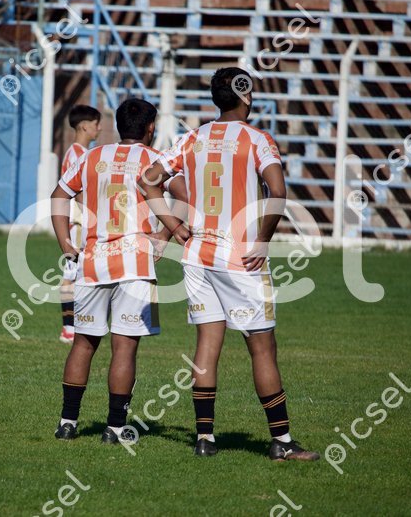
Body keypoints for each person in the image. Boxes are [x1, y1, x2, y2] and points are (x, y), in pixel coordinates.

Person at [139, 67, 319, 461]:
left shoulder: (192, 138)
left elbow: (148, 179)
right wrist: (263, 239)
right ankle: (282, 442)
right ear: (246, 96)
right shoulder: (257, 139)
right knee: (262, 349)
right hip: (239, 257)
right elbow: (278, 191)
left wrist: (174, 226)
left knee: (207, 344)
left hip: (198, 254)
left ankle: (205, 439)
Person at [50, 98, 166, 445]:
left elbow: (59, 196)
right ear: (150, 128)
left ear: (117, 125)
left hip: (93, 261)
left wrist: (65, 243)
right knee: (124, 349)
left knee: (83, 344)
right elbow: (185, 197)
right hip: (135, 262)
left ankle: (67, 423)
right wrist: (164, 235)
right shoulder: (153, 159)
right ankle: (114, 429)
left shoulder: (92, 157)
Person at [59, 105, 102, 345]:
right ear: (84, 126)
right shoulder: (78, 154)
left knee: (75, 274)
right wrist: (95, 216)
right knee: (72, 275)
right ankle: (69, 328)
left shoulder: (78, 152)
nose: (100, 128)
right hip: (79, 223)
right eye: (96, 124)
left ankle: (74, 326)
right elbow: (79, 192)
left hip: (79, 222)